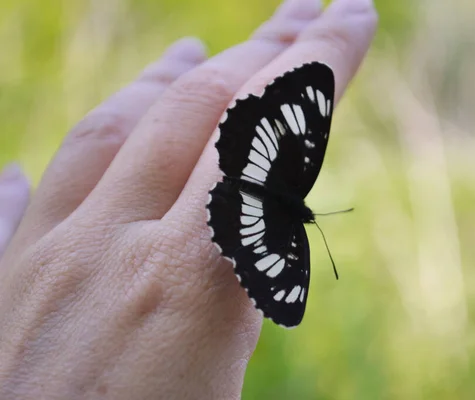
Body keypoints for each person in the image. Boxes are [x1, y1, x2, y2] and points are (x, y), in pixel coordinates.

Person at [0, 0, 377, 397]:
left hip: (248, 161)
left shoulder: (300, 181)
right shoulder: (292, 252)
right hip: (247, 192)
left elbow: (276, 291)